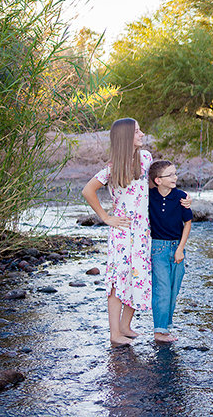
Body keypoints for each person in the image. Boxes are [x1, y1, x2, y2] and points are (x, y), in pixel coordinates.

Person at [81, 119, 153, 346]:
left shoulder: (146, 159)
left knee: (138, 276)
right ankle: (114, 333)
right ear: (126, 137)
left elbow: (153, 187)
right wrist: (105, 217)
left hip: (143, 231)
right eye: (137, 131)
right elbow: (87, 190)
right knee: (119, 278)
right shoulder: (112, 169)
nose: (142, 133)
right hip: (122, 232)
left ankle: (125, 326)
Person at [148, 160, 193, 343]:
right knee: (162, 288)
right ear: (158, 180)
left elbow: (188, 223)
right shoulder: (148, 196)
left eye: (175, 173)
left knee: (173, 289)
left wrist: (181, 249)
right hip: (158, 248)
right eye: (171, 175)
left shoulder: (181, 196)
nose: (175, 177)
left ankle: (165, 326)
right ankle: (159, 331)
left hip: (177, 247)